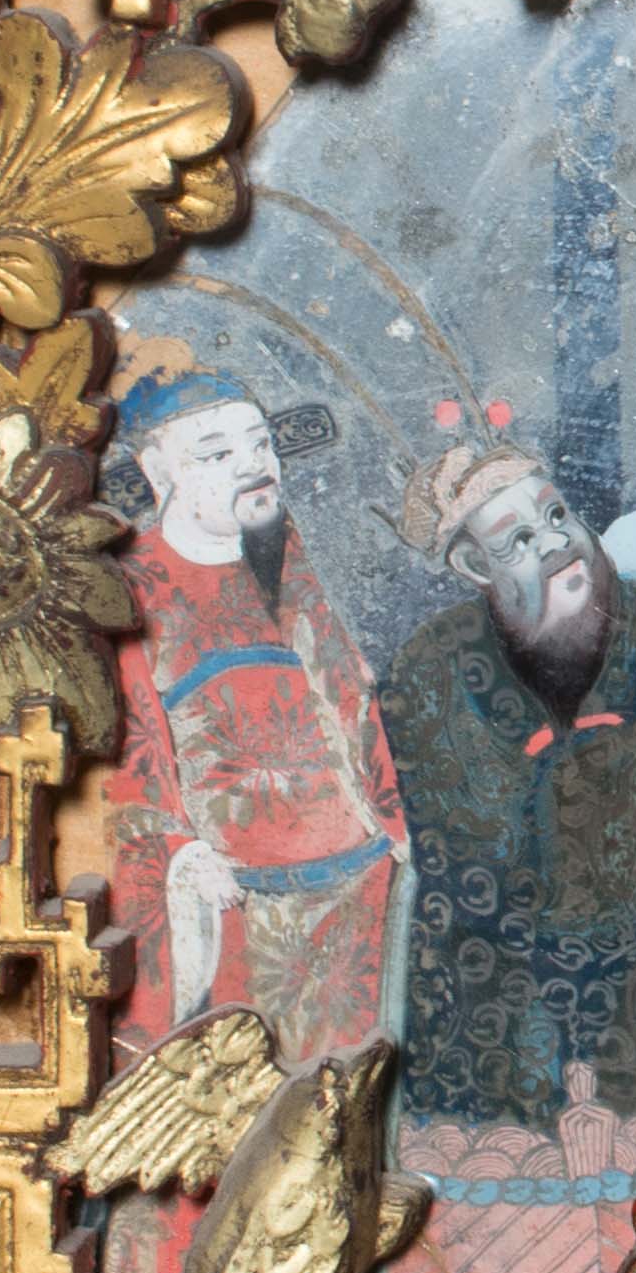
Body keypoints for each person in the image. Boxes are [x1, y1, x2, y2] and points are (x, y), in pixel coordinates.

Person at [372, 429, 636, 1140]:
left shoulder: (625, 619)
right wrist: (614, 778)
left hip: (626, 999)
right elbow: (478, 855)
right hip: (495, 1008)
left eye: (557, 514)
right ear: (475, 565)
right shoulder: (433, 665)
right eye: (518, 539)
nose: (555, 542)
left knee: (634, 1187)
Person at [105, 364, 405, 1069]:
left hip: (353, 885)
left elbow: (349, 698)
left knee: (343, 1082)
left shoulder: (284, 555)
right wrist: (180, 851)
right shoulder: (134, 584)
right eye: (217, 454)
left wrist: (391, 821)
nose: (253, 467)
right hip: (233, 896)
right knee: (240, 1086)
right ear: (158, 471)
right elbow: (132, 745)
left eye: (261, 445)